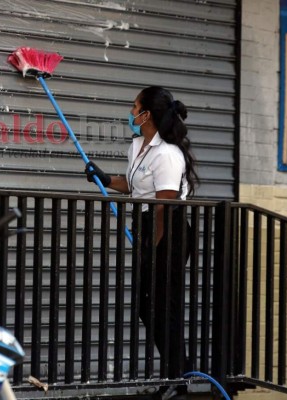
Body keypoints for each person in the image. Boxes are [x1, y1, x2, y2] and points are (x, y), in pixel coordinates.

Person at [84, 86, 199, 379]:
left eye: (135, 107)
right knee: (148, 307)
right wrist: (106, 179)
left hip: (169, 231)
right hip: (150, 228)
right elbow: (135, 187)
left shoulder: (169, 155)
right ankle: (177, 374)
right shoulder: (137, 146)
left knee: (163, 308)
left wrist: (155, 246)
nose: (131, 112)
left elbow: (164, 203)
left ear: (147, 115)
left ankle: (177, 379)